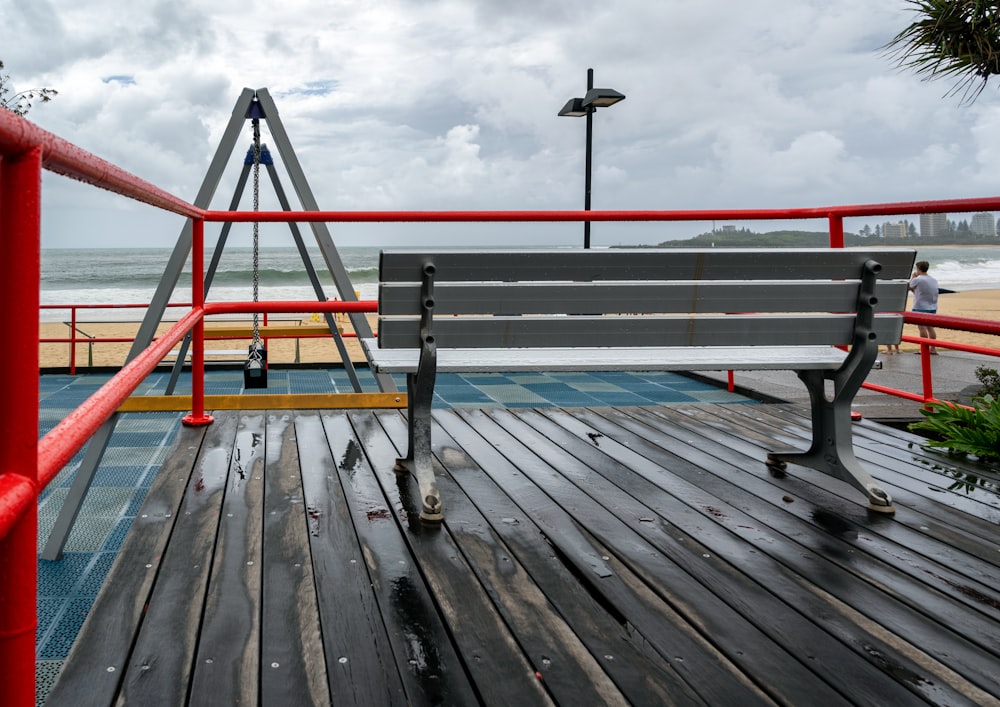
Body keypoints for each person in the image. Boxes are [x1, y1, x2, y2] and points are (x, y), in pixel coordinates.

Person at [908, 260, 939, 354]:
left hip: (920, 306)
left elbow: (909, 286)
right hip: (932, 306)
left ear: (918, 269)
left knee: (922, 328)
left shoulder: (918, 279)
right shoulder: (933, 279)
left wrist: (913, 277)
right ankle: (933, 348)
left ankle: (924, 348)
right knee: (930, 327)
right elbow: (918, 291)